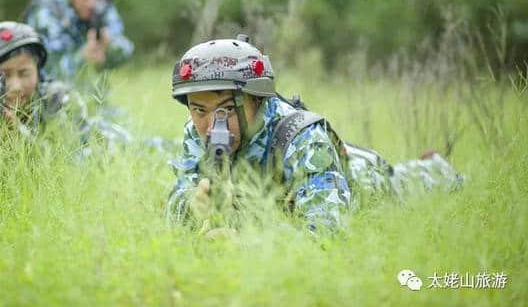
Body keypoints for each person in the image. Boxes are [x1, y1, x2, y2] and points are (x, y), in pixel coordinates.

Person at [166, 35, 462, 235]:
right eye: (199, 110)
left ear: (256, 99)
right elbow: (176, 202)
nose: (210, 124)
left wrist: (247, 246)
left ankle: (436, 167)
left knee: (407, 181)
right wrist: (191, 205)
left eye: (227, 108)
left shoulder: (301, 136)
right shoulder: (197, 132)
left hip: (361, 180)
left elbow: (329, 229)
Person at [0, 21, 130, 161]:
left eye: (24, 73)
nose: (15, 86)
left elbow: (67, 162)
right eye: (3, 76)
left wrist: (19, 139)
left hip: (113, 143)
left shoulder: (58, 99)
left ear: (38, 72)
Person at [22, 0, 134, 82]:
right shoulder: (47, 12)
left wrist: (109, 47)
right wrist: (83, 58)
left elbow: (126, 50)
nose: (93, 2)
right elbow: (47, 71)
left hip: (88, 93)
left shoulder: (103, 9)